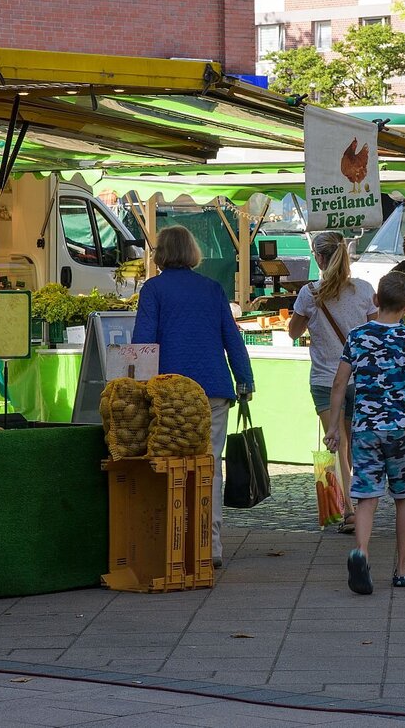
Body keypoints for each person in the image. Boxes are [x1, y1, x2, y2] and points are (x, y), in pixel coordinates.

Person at [133, 225, 255, 568]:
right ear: (192, 253)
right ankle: (209, 544)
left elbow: (144, 341)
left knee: (171, 463)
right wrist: (245, 382)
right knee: (209, 464)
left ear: (160, 254)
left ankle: (172, 540)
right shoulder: (213, 289)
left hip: (169, 393)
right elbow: (233, 340)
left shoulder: (153, 290)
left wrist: (138, 388)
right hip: (214, 390)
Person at [325, 271, 405, 595]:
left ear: (375, 300)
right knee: (403, 498)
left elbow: (339, 384)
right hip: (399, 429)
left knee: (366, 497)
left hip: (365, 430)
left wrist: (334, 426)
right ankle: (402, 570)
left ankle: (361, 551)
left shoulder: (357, 336)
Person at [288, 230, 377, 534]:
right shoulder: (364, 290)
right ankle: (356, 504)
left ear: (319, 258)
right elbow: (375, 331)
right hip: (360, 379)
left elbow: (293, 332)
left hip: (326, 379)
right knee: (351, 444)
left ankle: (348, 511)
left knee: (335, 443)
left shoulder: (309, 293)